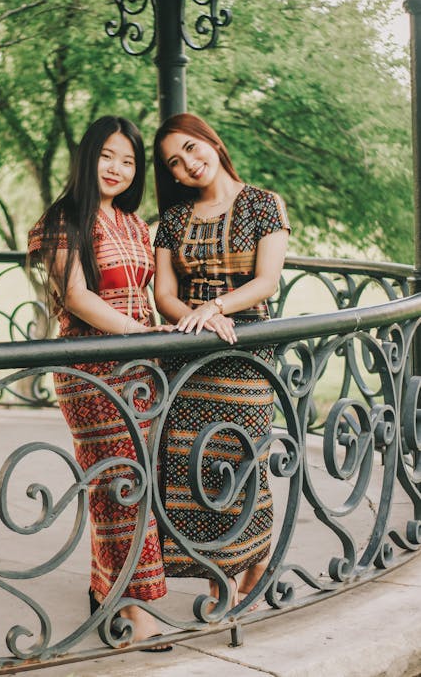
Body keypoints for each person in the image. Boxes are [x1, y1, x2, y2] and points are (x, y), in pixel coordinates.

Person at [27, 115, 173, 650]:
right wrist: (142, 335)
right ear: (88, 158)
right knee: (119, 484)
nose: (116, 168)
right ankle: (138, 611)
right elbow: (78, 297)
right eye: (107, 156)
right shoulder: (63, 220)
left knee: (142, 480)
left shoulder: (136, 225)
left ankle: (106, 588)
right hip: (93, 373)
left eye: (128, 161)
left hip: (142, 371)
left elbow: (154, 290)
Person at [152, 112, 290, 611]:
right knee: (194, 466)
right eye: (174, 162)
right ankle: (218, 578)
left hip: (246, 348)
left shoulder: (264, 204)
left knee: (241, 460)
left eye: (192, 148)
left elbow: (265, 282)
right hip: (189, 351)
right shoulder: (172, 220)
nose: (188, 164)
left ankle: (255, 559)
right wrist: (197, 317)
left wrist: (216, 307)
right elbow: (164, 293)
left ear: (210, 141)